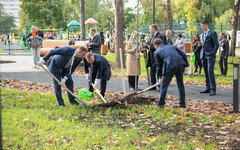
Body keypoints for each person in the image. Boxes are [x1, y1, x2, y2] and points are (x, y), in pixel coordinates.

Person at [153, 38, 189, 108]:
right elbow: (184, 55)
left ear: (156, 45)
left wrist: (159, 76)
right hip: (180, 64)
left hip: (170, 66)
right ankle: (182, 104)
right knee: (180, 85)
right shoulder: (172, 46)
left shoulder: (156, 52)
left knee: (164, 86)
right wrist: (186, 65)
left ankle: (160, 105)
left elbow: (158, 66)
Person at [199, 21, 219, 96]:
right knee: (206, 72)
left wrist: (213, 53)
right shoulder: (201, 35)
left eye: (203, 26)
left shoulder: (212, 33)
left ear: (207, 25)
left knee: (210, 71)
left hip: (210, 55)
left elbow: (216, 44)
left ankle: (213, 89)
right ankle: (208, 88)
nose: (202, 27)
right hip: (203, 55)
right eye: (201, 26)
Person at [147, 24, 167, 90]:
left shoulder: (160, 36)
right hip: (152, 57)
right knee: (152, 71)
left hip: (158, 56)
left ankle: (160, 85)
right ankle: (153, 85)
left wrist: (151, 47)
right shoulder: (153, 36)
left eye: (150, 29)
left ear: (153, 29)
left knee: (158, 70)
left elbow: (161, 46)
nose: (149, 30)